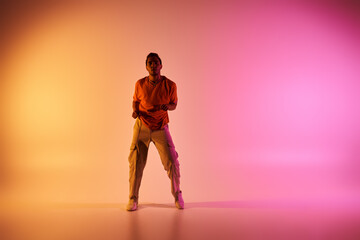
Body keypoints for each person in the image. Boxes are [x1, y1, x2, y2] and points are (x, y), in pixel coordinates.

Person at [126, 53, 184, 211]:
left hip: (160, 127)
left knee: (172, 161)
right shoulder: (139, 83)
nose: (153, 65)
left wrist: (167, 107)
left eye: (156, 63)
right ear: (146, 66)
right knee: (136, 163)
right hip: (142, 127)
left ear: (161, 66)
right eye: (150, 63)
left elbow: (174, 104)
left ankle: (177, 195)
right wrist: (134, 111)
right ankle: (133, 198)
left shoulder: (170, 85)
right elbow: (135, 101)